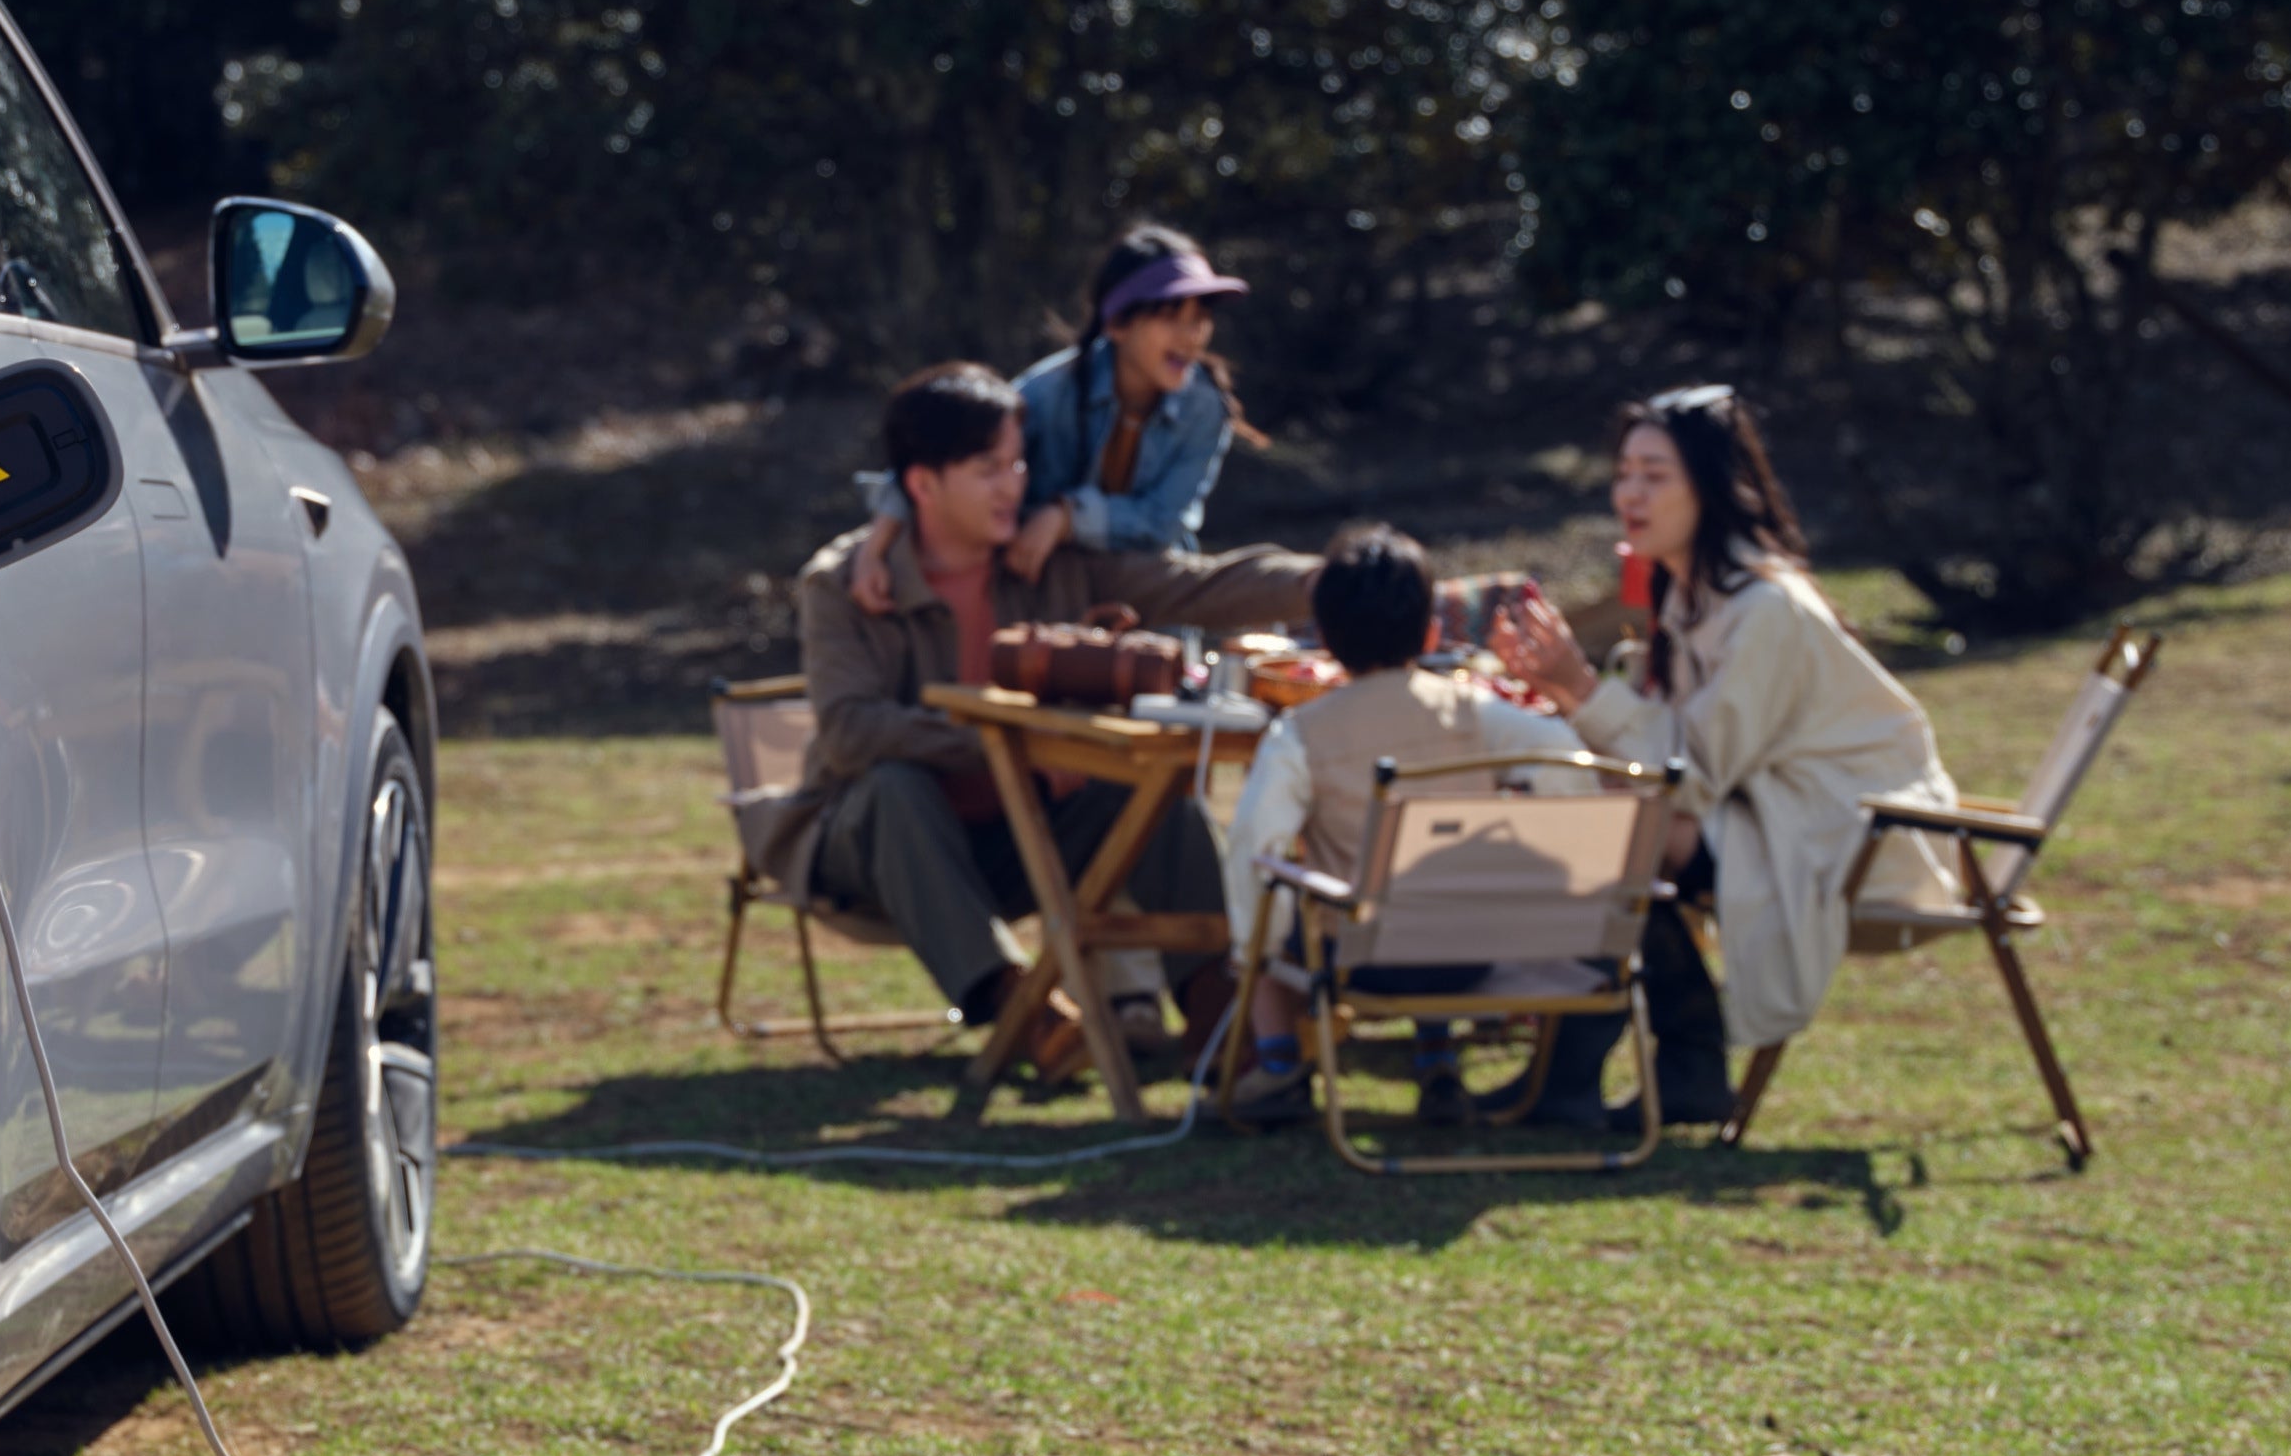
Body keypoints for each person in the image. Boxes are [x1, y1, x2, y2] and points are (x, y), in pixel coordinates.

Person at [764, 363, 1320, 1068]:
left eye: (1018, 464)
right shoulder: (843, 583)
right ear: (922, 484)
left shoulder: (1049, 561)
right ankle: (1022, 1013)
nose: (1014, 485)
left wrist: (1326, 582)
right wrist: (1013, 745)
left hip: (1023, 838)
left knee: (1156, 800)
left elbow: (1193, 586)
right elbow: (851, 734)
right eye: (988, 470)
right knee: (894, 787)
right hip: (877, 852)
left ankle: (1220, 1014)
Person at [1491, 384, 1964, 1124]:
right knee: (1592, 814)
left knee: (1617, 832)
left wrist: (1579, 687)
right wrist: (1566, 695)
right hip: (1769, 806)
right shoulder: (1697, 591)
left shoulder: (1766, 606)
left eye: (1655, 475)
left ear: (1710, 488)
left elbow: (1693, 774)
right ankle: (1601, 1069)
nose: (1631, 494)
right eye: (1624, 474)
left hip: (1854, 831)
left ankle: (1646, 1064)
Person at [1221, 525, 1601, 1125]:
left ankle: (1278, 1064)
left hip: (1358, 958)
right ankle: (1435, 1055)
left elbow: (1254, 845)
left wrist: (1254, 946)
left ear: (1325, 640)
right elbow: (1564, 759)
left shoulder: (1301, 734)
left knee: (1272, 902)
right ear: (1429, 632)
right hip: (1475, 950)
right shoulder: (1476, 713)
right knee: (1436, 877)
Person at [848, 224, 1267, 614]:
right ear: (1117, 324)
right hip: (1046, 592)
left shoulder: (1205, 407)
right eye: (1171, 317)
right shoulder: (1047, 394)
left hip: (1155, 595)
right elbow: (938, 461)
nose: (1191, 336)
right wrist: (874, 549)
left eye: (1200, 319)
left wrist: (1066, 517)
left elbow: (1164, 521)